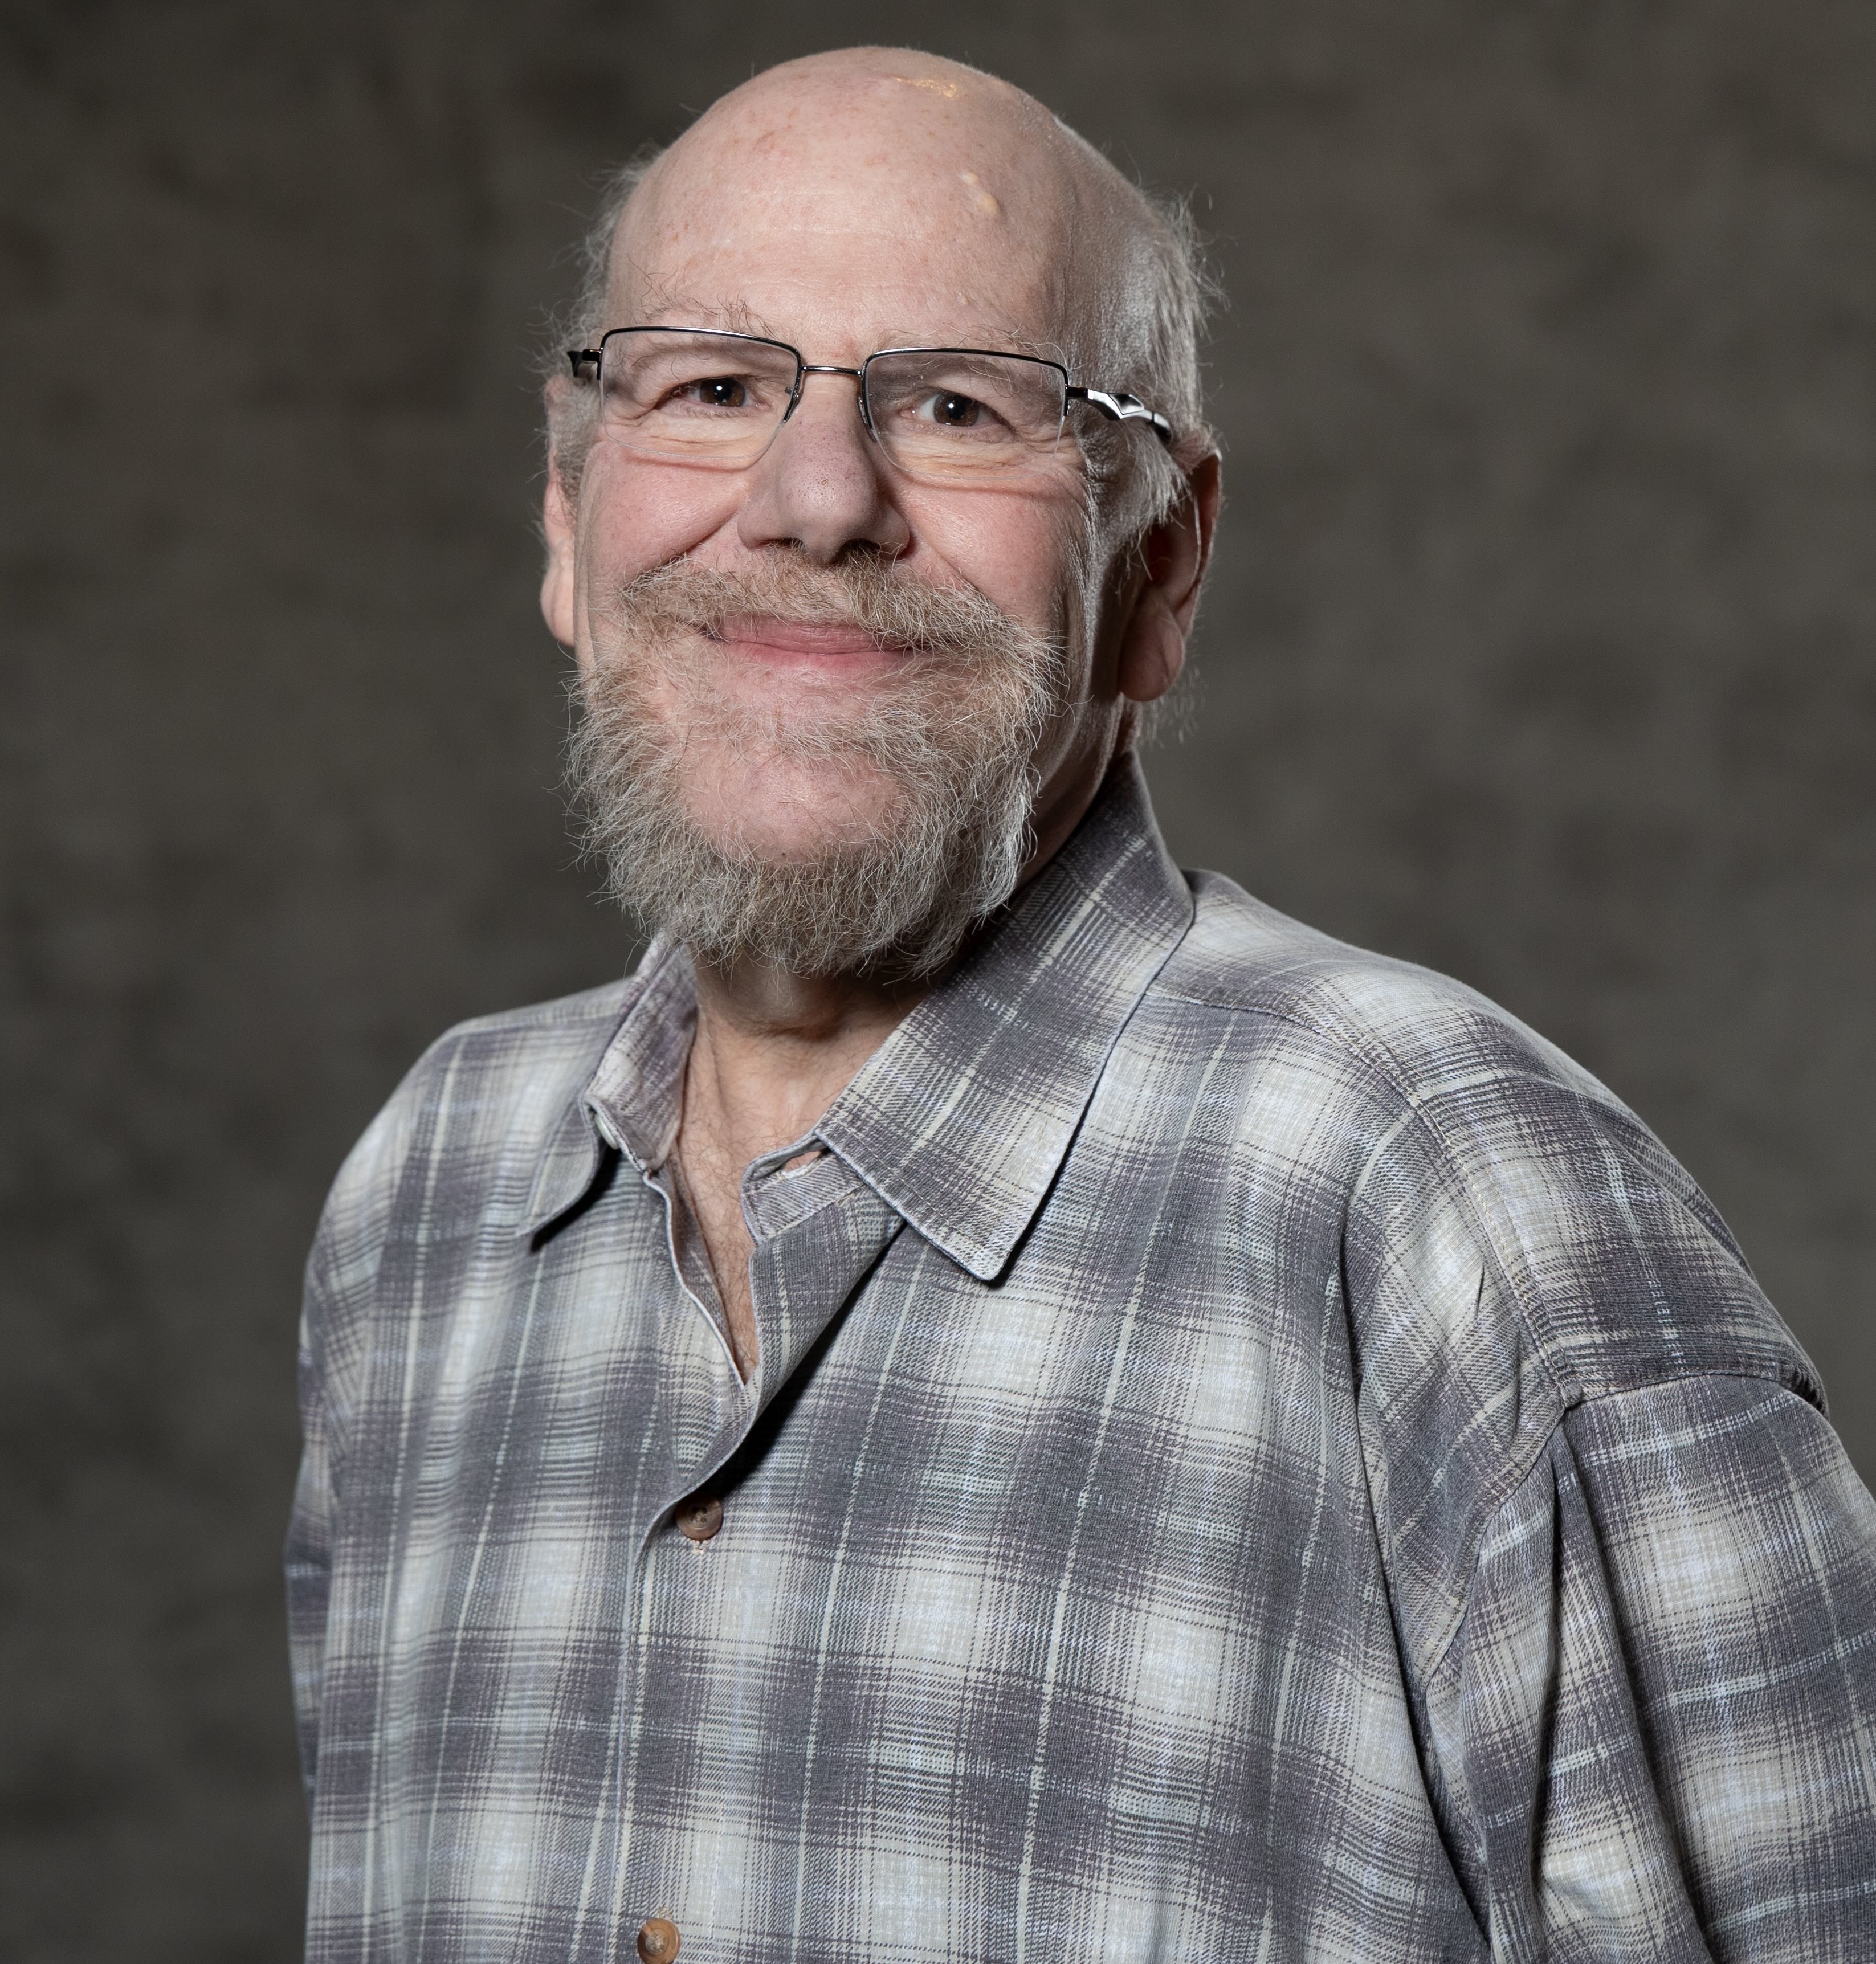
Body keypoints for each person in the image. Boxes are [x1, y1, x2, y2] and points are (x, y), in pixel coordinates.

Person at [286, 46, 1876, 1964]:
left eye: (957, 407)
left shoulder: (1458, 1207)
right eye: (709, 387)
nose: (813, 502)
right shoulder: (431, 1198)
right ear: (565, 517)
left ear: (1162, 562)